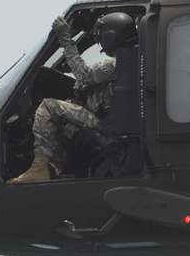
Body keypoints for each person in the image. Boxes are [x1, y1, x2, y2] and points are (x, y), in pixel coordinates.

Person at [12, 14, 116, 183]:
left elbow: (84, 75)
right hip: (105, 118)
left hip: (103, 124)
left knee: (48, 107)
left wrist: (65, 39)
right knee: (66, 119)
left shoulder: (113, 65)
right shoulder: (124, 63)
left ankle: (39, 168)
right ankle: (53, 170)